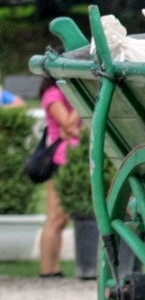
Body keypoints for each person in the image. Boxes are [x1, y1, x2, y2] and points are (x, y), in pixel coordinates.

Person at [38, 76, 81, 279]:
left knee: (62, 219)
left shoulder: (64, 93)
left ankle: (54, 268)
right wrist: (80, 102)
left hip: (71, 157)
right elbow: (68, 124)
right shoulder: (53, 94)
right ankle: (47, 270)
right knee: (55, 217)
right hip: (59, 159)